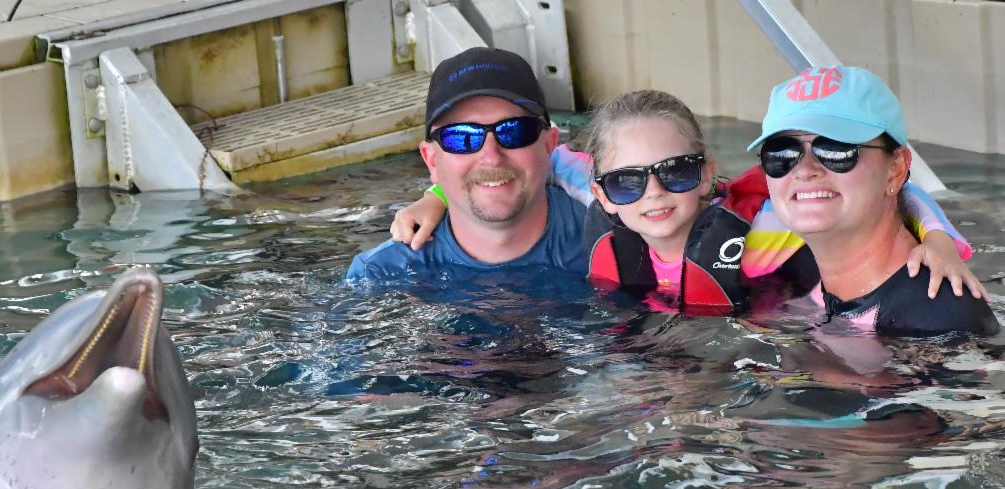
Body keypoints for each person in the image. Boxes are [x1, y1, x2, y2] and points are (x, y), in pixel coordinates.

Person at [389, 86, 985, 313]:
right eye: (627, 183)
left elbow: (865, 190)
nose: (651, 192)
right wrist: (437, 192)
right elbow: (506, 165)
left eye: (675, 171)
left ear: (707, 174)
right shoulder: (586, 187)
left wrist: (938, 241)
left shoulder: (765, 219)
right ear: (601, 192)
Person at [749, 65, 998, 336]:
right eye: (782, 153)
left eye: (836, 149)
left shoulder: (941, 317)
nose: (805, 170)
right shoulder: (797, 279)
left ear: (896, 170)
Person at [343, 47, 588, 283]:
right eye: (461, 137)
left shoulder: (614, 240)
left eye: (514, 131)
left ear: (549, 145)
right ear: (431, 161)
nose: (491, 156)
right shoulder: (380, 275)